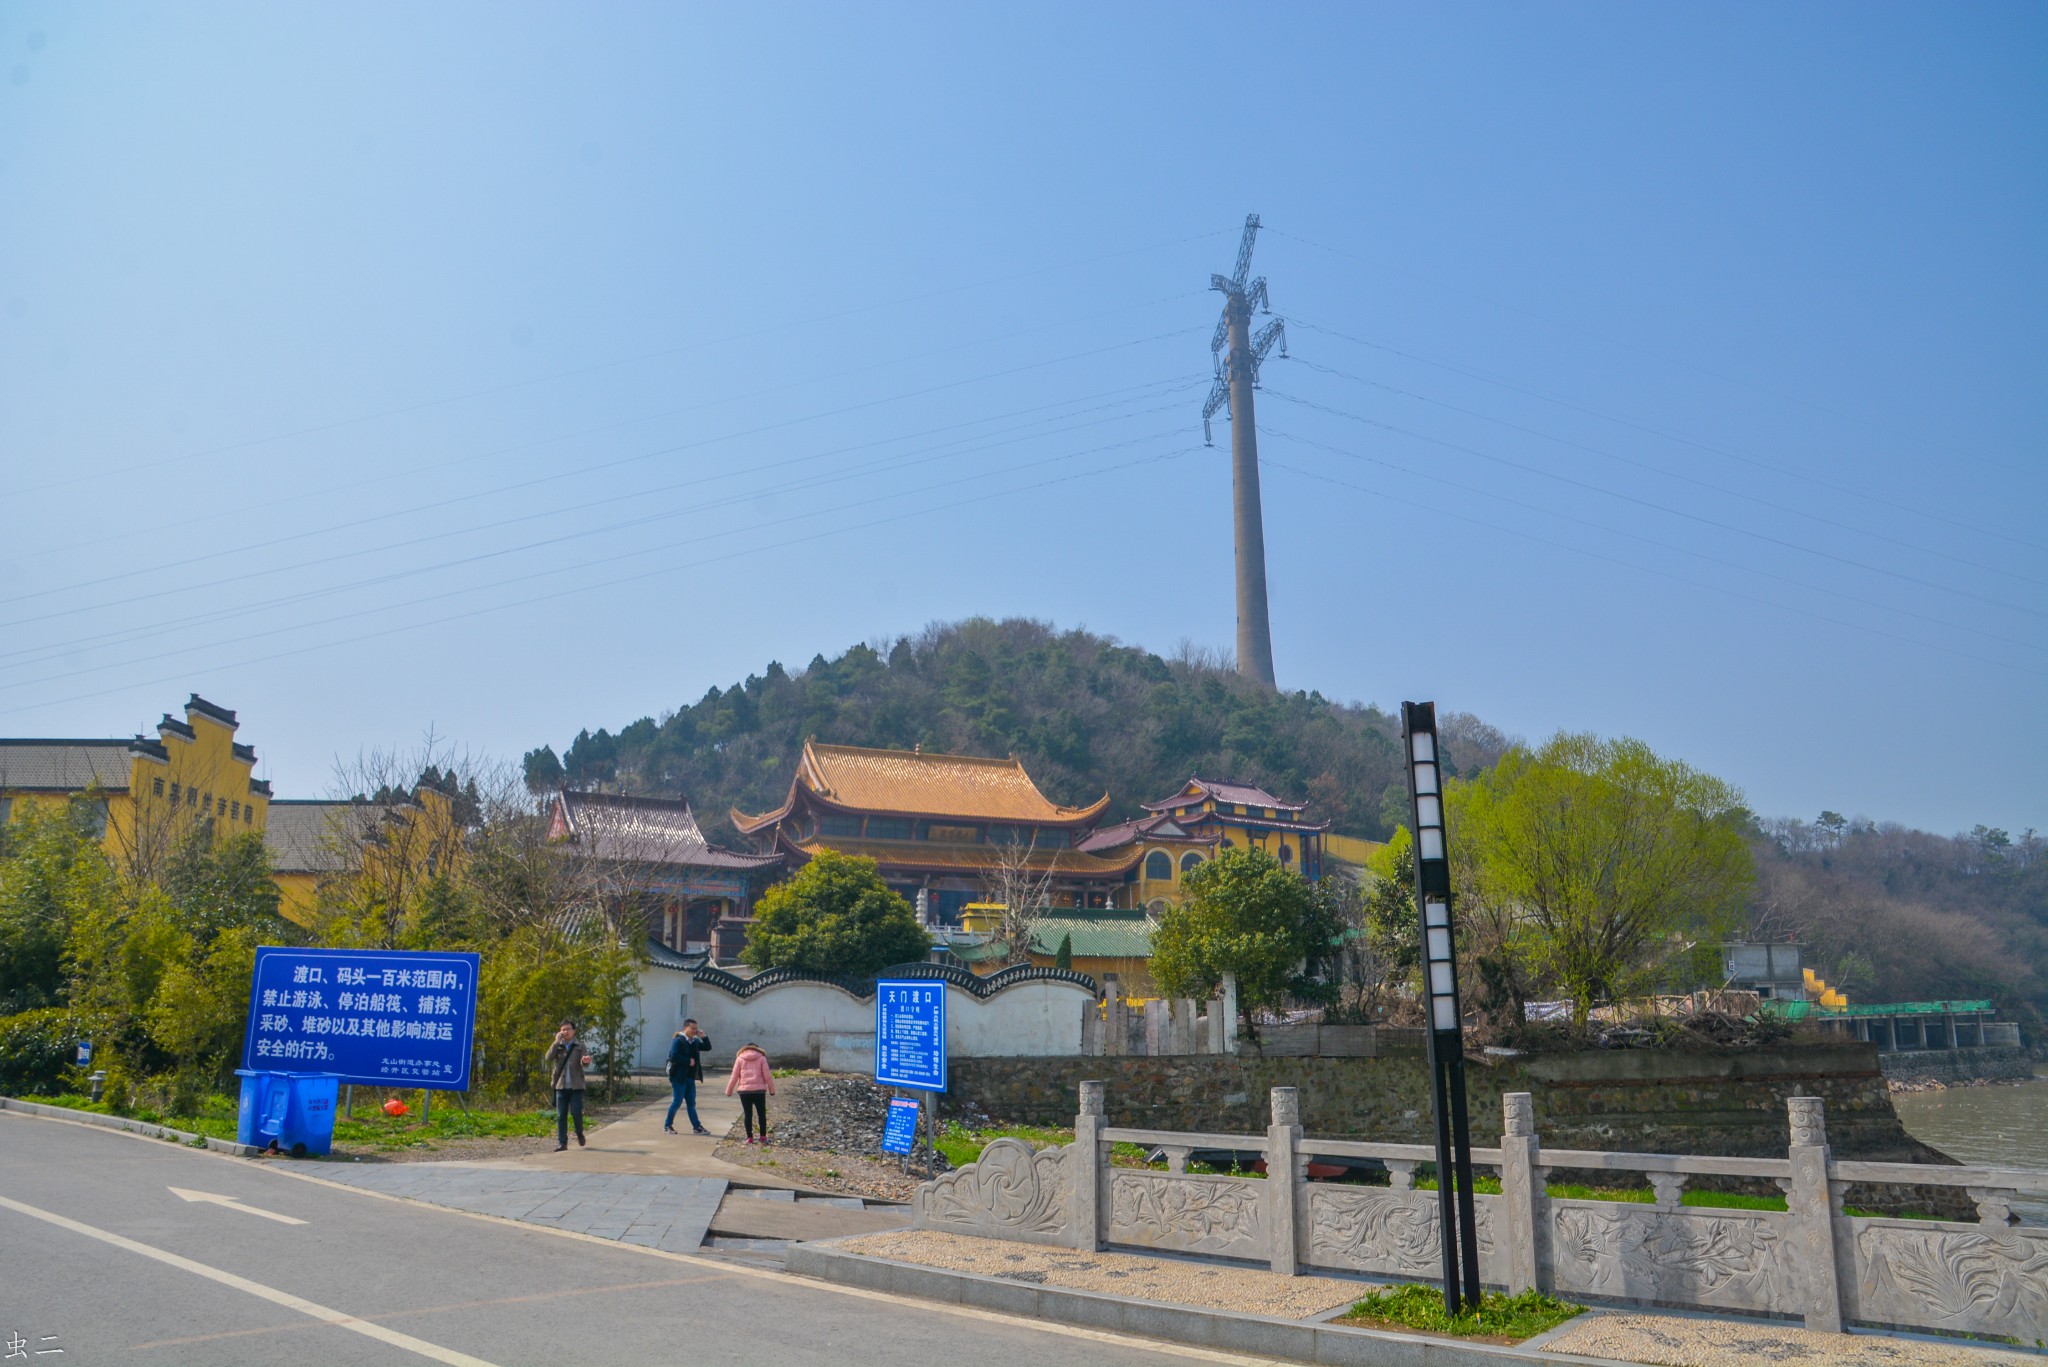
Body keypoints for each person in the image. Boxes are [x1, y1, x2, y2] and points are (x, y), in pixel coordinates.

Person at [543, 1021, 593, 1151]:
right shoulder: (558, 1046)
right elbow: (548, 1058)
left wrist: (585, 1060)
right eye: (563, 1030)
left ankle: (579, 1133)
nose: (566, 1032)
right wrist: (555, 1042)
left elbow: (584, 1061)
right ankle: (562, 1143)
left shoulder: (580, 1045)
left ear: (574, 1031)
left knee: (576, 1112)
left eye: (568, 1029)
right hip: (561, 1086)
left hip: (576, 1086)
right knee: (561, 1115)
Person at [664, 1019, 712, 1135]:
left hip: (690, 1077)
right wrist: (687, 1061)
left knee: (691, 1103)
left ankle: (697, 1127)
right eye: (692, 1028)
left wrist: (703, 1036)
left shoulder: (694, 1041)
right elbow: (673, 1057)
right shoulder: (678, 1040)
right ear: (685, 1028)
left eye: (696, 1028)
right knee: (677, 1101)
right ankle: (667, 1125)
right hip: (678, 1077)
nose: (694, 1031)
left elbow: (707, 1047)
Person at [724, 1041, 775, 1144]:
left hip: (744, 1092)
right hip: (759, 1091)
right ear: (757, 1049)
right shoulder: (762, 1058)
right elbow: (767, 1076)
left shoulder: (740, 1058)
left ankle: (749, 1138)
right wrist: (772, 1090)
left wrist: (729, 1091)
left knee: (748, 1114)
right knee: (761, 1114)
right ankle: (763, 1136)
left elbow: (734, 1076)